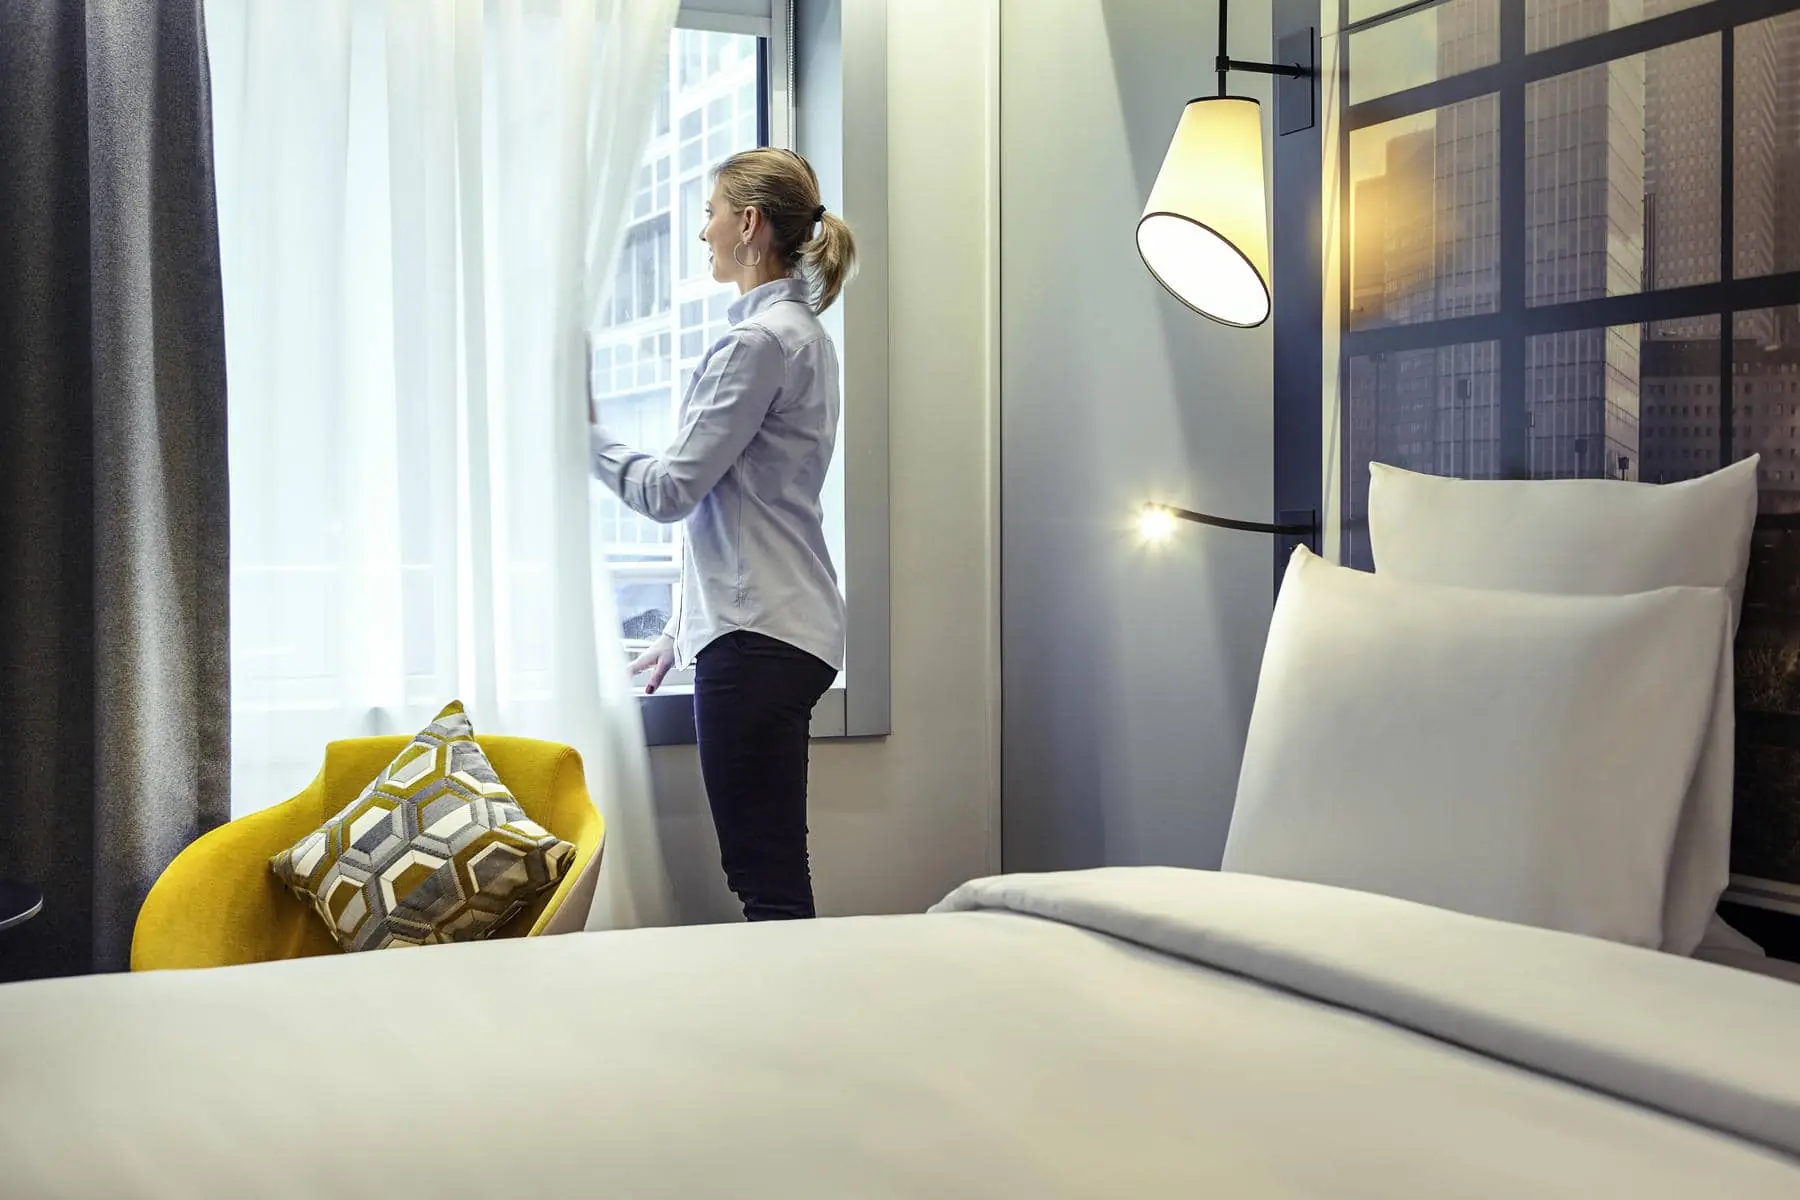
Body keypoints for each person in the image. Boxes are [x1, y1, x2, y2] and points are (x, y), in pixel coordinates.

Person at [589, 148, 855, 922]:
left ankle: (793, 1034)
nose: (702, 231)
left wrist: (583, 435)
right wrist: (681, 630)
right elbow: (744, 504)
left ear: (748, 224)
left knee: (763, 879)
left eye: (710, 212)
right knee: (769, 870)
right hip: (780, 628)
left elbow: (673, 490)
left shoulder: (760, 344)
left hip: (759, 638)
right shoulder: (801, 336)